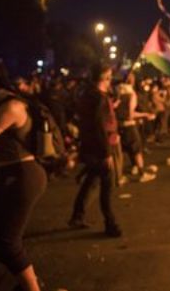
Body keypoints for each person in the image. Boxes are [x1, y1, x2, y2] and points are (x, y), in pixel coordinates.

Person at [0, 57, 46, 291]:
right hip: (6, 175)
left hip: (22, 175)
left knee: (7, 241)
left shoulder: (11, 107)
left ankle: (33, 289)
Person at [68, 63, 122, 237]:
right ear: (105, 77)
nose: (111, 79)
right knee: (107, 186)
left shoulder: (90, 95)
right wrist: (106, 152)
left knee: (91, 180)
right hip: (101, 146)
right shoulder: (98, 98)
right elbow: (98, 126)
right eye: (109, 76)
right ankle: (110, 223)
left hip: (93, 145)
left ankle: (77, 215)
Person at [115, 72, 156, 182]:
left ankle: (119, 175)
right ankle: (142, 173)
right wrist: (146, 115)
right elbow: (130, 114)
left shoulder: (117, 93)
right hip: (129, 126)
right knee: (136, 149)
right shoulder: (131, 95)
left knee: (123, 150)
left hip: (119, 125)